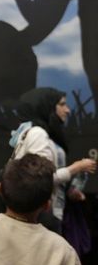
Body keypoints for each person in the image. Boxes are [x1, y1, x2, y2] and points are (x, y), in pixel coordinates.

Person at [8, 87, 96, 231]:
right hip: (41, 217)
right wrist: (76, 168)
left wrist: (69, 191)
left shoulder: (41, 133)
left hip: (46, 214)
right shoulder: (38, 134)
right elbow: (39, 179)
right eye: (62, 104)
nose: (67, 110)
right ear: (46, 106)